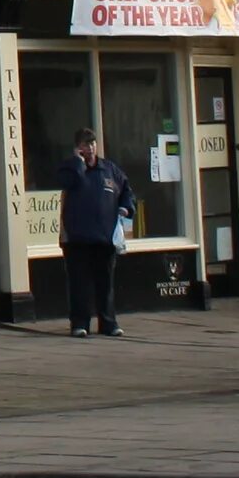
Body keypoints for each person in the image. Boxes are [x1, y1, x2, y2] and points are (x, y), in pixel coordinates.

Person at [56, 126, 137, 339]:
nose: (90, 148)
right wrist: (77, 163)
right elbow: (66, 182)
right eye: (85, 145)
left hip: (104, 238)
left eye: (92, 144)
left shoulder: (110, 170)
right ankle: (80, 324)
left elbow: (127, 191)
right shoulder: (70, 169)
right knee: (79, 284)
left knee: (105, 283)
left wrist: (126, 207)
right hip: (77, 238)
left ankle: (108, 323)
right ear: (78, 148)